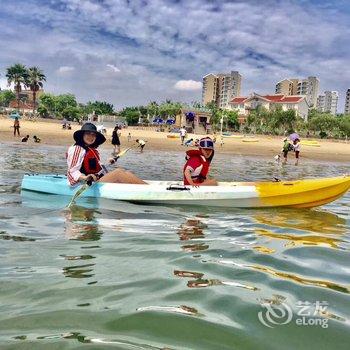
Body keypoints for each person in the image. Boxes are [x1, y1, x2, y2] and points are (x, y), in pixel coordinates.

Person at [66, 123, 145, 186]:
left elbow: (96, 167)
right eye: (88, 134)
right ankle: (147, 190)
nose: (91, 136)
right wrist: (85, 177)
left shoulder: (90, 149)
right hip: (84, 183)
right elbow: (72, 171)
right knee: (118, 173)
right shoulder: (77, 149)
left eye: (93, 134)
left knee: (124, 172)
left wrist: (108, 162)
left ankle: (146, 187)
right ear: (82, 135)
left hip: (96, 179)